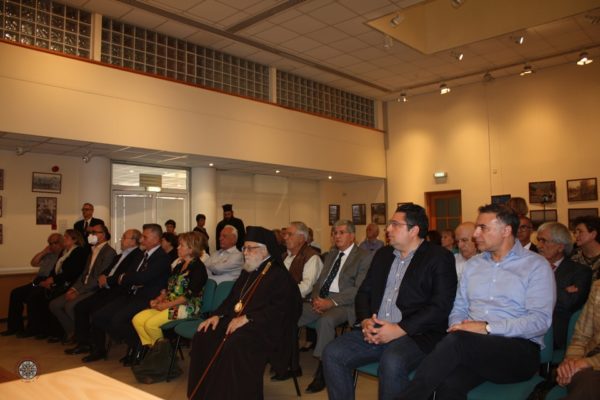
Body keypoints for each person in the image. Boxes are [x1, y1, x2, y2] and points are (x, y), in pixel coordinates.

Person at [397, 203, 555, 400]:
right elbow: (459, 307)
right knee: (447, 385)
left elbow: (540, 321)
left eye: (483, 228)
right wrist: (458, 325)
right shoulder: (473, 265)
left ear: (506, 231)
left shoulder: (536, 266)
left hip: (519, 351)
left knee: (457, 342)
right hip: (473, 347)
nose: (476, 234)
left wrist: (486, 328)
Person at [322, 204, 457, 400]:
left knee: (392, 361)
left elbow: (440, 306)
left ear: (414, 230)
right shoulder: (383, 255)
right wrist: (366, 320)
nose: (388, 229)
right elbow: (363, 293)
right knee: (332, 353)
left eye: (395, 224)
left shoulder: (439, 257)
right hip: (376, 328)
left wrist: (399, 329)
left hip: (417, 334)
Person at [187, 226, 302, 400]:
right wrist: (217, 315)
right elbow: (232, 299)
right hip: (238, 320)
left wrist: (248, 318)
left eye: (250, 248)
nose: (245, 253)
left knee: (235, 343)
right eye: (244, 248)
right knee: (204, 335)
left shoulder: (279, 275)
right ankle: (207, 393)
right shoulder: (248, 270)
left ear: (265, 250)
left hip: (266, 327)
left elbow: (283, 309)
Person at [297, 219, 373, 393]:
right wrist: (316, 299)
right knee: (292, 312)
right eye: (334, 233)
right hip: (322, 300)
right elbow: (320, 282)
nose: (336, 236)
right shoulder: (330, 254)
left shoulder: (364, 256)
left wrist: (331, 302)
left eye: (341, 232)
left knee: (326, 321)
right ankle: (289, 361)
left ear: (352, 236)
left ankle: (323, 371)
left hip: (346, 303)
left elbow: (358, 289)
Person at [83, 223, 171, 364]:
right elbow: (130, 274)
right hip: (131, 293)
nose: (141, 239)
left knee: (118, 320)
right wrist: (130, 278)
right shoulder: (142, 255)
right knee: (99, 316)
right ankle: (129, 344)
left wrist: (128, 278)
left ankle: (138, 346)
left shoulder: (162, 257)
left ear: (156, 239)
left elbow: (142, 277)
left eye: (145, 237)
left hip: (148, 297)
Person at [64, 229, 144, 356]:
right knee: (80, 307)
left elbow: (124, 276)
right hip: (105, 288)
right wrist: (103, 276)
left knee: (97, 312)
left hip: (118, 291)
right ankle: (83, 343)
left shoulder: (137, 256)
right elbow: (108, 270)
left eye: (125, 237)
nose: (121, 240)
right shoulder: (120, 255)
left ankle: (98, 349)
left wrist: (107, 280)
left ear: (134, 241)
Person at [133, 232, 208, 348]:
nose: (178, 247)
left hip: (187, 309)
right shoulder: (179, 266)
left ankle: (161, 353)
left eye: (181, 245)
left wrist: (166, 305)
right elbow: (169, 288)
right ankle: (153, 350)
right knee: (137, 320)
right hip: (171, 304)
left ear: (191, 249)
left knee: (150, 324)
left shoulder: (198, 268)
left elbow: (188, 296)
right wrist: (159, 299)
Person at [49, 224, 116, 343]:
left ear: (104, 235)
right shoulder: (92, 251)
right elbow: (84, 274)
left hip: (94, 289)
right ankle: (73, 332)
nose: (91, 235)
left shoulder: (109, 252)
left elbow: (98, 278)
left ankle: (83, 337)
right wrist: (73, 289)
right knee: (54, 304)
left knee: (70, 306)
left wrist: (78, 292)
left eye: (94, 233)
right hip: (82, 287)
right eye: (90, 233)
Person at [24, 229, 89, 339]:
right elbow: (55, 269)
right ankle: (43, 330)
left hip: (69, 284)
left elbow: (72, 272)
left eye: (66, 237)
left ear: (74, 240)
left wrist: (54, 280)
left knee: (49, 300)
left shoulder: (78, 252)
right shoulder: (64, 252)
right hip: (57, 282)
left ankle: (57, 332)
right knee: (37, 297)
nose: (64, 239)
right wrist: (50, 279)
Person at [537, 222, 592, 349]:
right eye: (538, 240)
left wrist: (534, 291)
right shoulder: (529, 267)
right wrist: (562, 290)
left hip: (555, 331)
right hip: (524, 326)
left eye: (544, 241)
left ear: (560, 247)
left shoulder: (580, 271)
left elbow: (568, 303)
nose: (539, 246)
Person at [1, 233, 63, 336]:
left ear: (61, 243)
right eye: (50, 243)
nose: (52, 245)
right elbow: (33, 263)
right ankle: (14, 327)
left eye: (54, 243)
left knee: (33, 297)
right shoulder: (48, 254)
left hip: (48, 282)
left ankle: (32, 329)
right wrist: (44, 252)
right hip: (38, 281)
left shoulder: (63, 256)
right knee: (16, 293)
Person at [556, 280, 600, 398]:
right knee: (587, 383)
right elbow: (581, 336)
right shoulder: (598, 287)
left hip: (591, 365)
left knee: (589, 385)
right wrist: (570, 363)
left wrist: (586, 363)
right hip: (587, 364)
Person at [571, 215, 600, 282]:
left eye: (580, 232)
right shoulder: (573, 258)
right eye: (575, 232)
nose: (576, 235)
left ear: (593, 234)